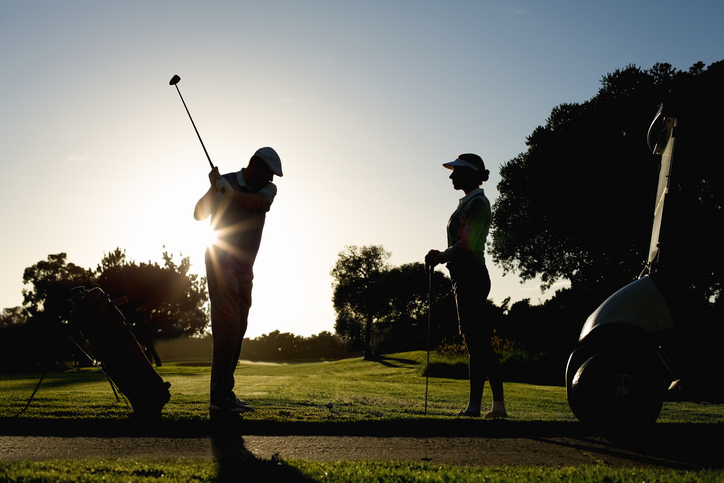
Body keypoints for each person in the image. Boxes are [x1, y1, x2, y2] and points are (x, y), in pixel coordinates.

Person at [194, 147, 283, 413]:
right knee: (228, 329)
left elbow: (259, 203)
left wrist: (231, 193)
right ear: (254, 165)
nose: (271, 180)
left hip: (245, 270)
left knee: (238, 332)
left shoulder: (267, 190)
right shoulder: (226, 183)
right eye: (268, 173)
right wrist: (214, 189)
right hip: (220, 262)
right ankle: (220, 397)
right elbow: (199, 214)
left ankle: (222, 395)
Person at [425, 153, 507, 419]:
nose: (451, 176)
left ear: (470, 174)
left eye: (456, 171)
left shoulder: (478, 204)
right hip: (465, 277)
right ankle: (494, 407)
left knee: (476, 343)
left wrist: (442, 256)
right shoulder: (470, 202)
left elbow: (468, 244)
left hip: (471, 276)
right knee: (478, 342)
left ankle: (479, 407)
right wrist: (444, 254)